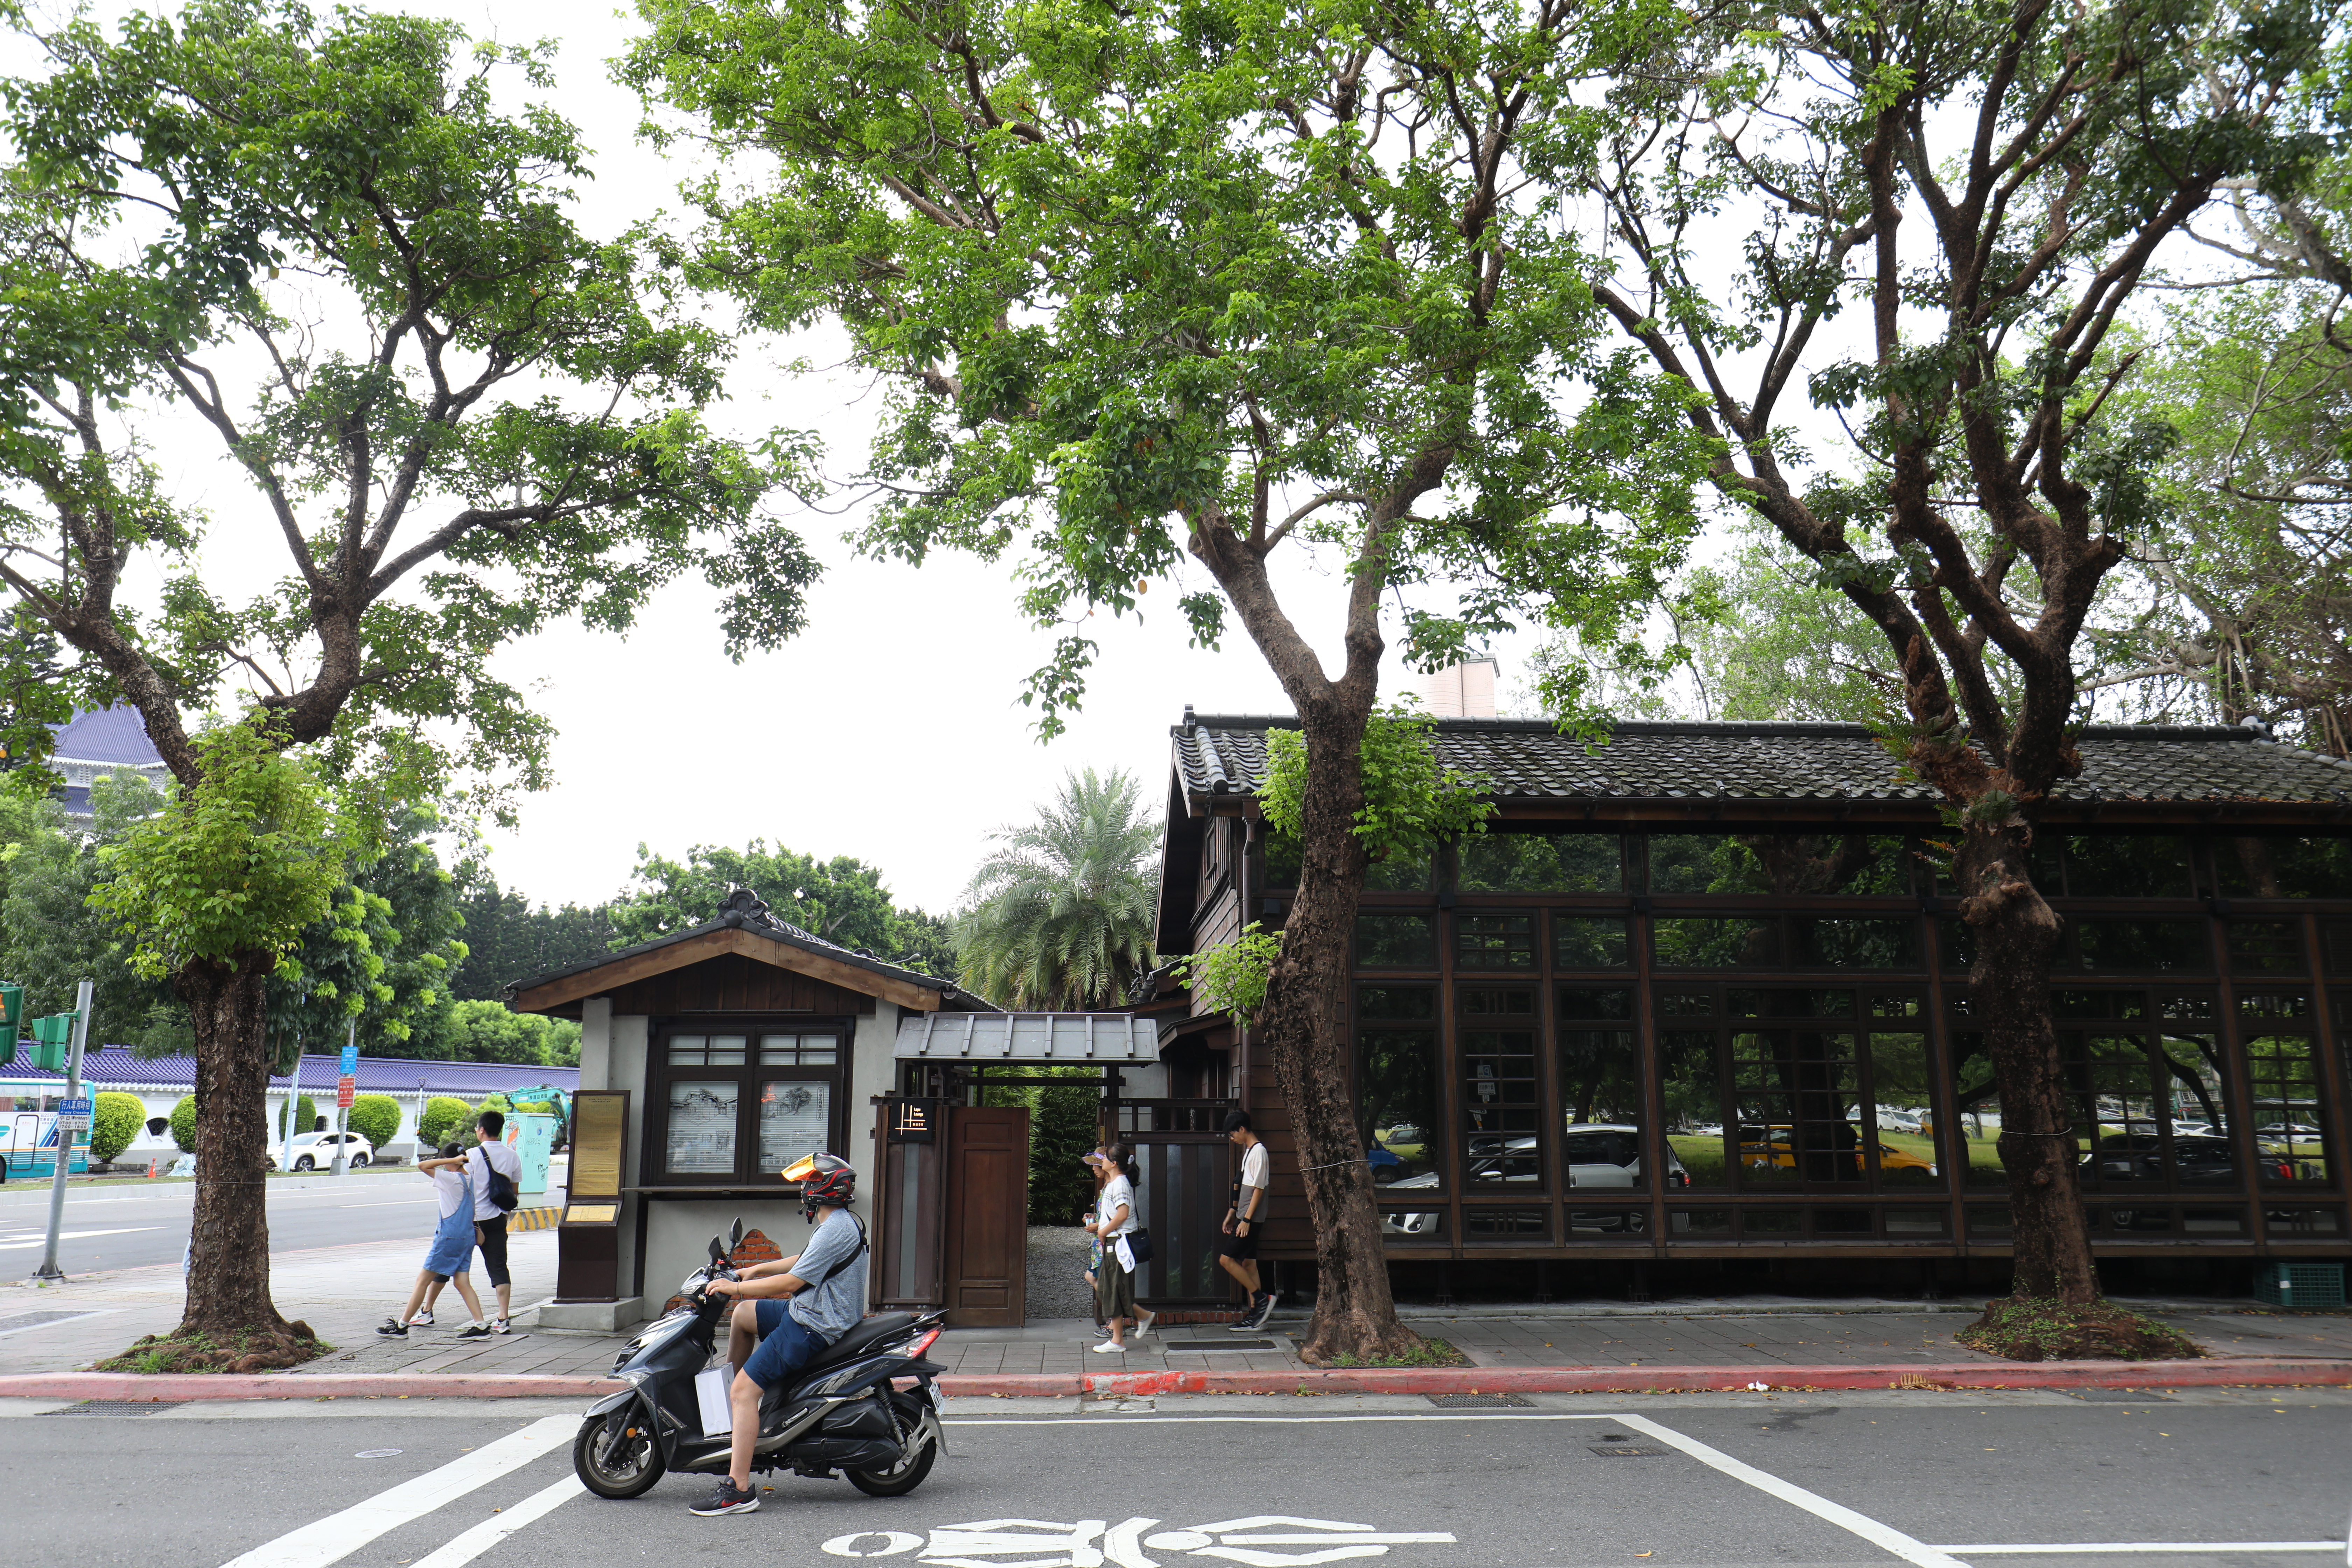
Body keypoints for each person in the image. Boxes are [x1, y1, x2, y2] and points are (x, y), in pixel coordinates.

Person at [689, 1150, 869, 1517]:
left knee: (744, 1390)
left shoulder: (835, 1228)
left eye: (807, 1183)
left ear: (821, 1189)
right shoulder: (839, 1224)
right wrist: (751, 1271)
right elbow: (802, 1261)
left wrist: (732, 1289)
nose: (803, 1189)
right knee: (743, 1317)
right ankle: (737, 1409)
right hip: (809, 1311)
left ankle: (738, 1489)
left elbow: (793, 1281)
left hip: (812, 1325)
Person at [378, 1142, 489, 1339]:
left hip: (449, 1237)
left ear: (450, 1160)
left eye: (447, 1161)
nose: (445, 1165)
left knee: (422, 1281)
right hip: (466, 1237)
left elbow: (423, 1166)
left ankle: (402, 1326)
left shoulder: (452, 1179)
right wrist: (456, 1160)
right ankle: (481, 1327)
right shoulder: (468, 1177)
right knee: (462, 1282)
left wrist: (451, 1161)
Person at [1090, 1143, 1153, 1352]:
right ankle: (1138, 1320)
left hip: (1117, 1243)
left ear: (1114, 1163)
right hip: (1113, 1241)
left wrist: (1102, 1231)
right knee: (1112, 1288)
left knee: (1113, 1288)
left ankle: (1118, 1340)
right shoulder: (1115, 1183)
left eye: (1105, 1158)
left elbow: (1123, 1214)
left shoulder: (1120, 1184)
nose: (1102, 1161)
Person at [465, 1111, 524, 1332]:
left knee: (449, 1264)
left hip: (472, 1221)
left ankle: (427, 1311)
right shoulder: (512, 1156)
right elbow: (514, 1192)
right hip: (498, 1219)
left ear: (481, 1130)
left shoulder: (471, 1155)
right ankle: (503, 1317)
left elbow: (463, 1190)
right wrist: (504, 1215)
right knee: (499, 1267)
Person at [1220, 1110, 1277, 1331]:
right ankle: (1257, 1317)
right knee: (1249, 1263)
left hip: (1250, 1219)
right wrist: (1232, 1213)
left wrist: (1246, 1220)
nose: (1232, 1138)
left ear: (1242, 1129)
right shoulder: (1249, 1151)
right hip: (1243, 1215)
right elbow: (1241, 1187)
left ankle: (1261, 1300)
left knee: (1227, 1260)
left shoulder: (1259, 1153)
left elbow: (1258, 1190)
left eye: (1233, 1134)